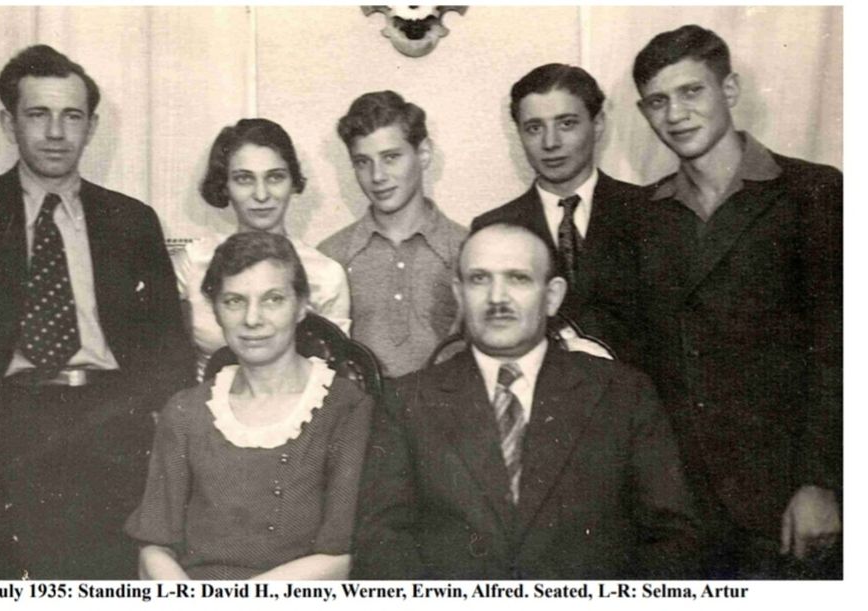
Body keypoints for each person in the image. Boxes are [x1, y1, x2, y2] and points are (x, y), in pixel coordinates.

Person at [0, 44, 194, 579]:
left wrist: (145, 429)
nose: (56, 132)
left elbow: (171, 352)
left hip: (109, 433)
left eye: (71, 116)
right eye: (38, 114)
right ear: (9, 123)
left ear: (91, 126)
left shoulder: (132, 222)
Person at [352, 222, 698, 579]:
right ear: (458, 293)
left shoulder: (622, 393)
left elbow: (673, 538)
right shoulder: (407, 401)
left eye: (518, 278)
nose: (497, 297)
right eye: (479, 279)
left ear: (552, 296)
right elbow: (382, 545)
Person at [629, 24, 842, 577]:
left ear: (729, 90)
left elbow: (840, 348)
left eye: (691, 91)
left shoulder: (813, 192)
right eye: (658, 101)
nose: (675, 114)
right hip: (683, 509)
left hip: (786, 500)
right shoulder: (645, 218)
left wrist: (822, 482)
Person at [126, 232, 373, 580]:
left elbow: (343, 557)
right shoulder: (185, 413)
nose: (252, 319)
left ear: (302, 305)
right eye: (234, 301)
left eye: (272, 299)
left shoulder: (346, 409)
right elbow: (154, 545)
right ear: (215, 310)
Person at [471, 63, 644, 355]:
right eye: (535, 128)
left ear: (598, 123)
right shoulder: (493, 229)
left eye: (567, 124)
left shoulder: (647, 210)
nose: (550, 143)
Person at [175, 119, 350, 379]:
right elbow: (168, 361)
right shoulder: (193, 263)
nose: (261, 195)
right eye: (244, 179)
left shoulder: (326, 274)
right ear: (225, 185)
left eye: (275, 177)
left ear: (292, 182)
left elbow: (334, 375)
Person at [319, 91, 467, 378]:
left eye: (391, 157)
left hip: (447, 415)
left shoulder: (468, 249)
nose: (377, 176)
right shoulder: (331, 256)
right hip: (360, 416)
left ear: (423, 154)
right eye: (363, 161)